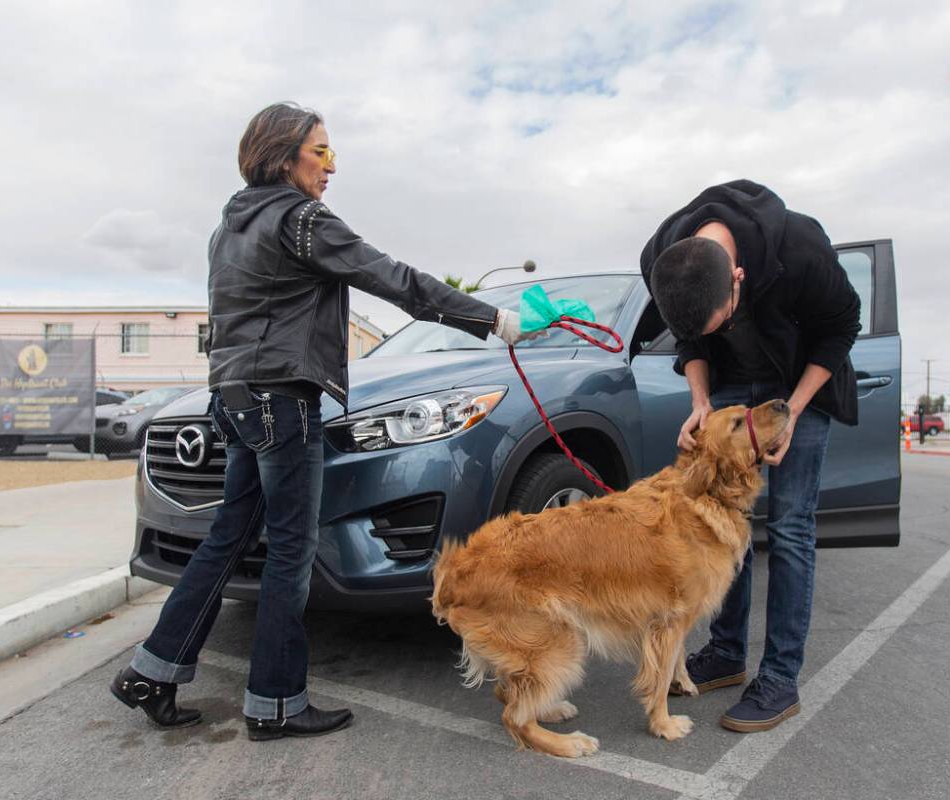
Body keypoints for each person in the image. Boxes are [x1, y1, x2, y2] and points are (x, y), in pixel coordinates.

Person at [110, 102, 535, 741]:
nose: (333, 165)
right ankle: (276, 702)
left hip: (234, 394)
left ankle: (154, 669)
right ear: (286, 157)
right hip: (283, 398)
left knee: (228, 537)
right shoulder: (301, 218)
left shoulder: (228, 227)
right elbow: (394, 279)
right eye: (323, 151)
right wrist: (489, 319)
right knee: (290, 551)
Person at [640, 179, 861, 733]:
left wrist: (796, 409)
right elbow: (690, 340)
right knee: (719, 522)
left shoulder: (799, 248)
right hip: (733, 384)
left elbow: (841, 329)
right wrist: (700, 400)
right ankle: (726, 653)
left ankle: (780, 678)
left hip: (797, 380)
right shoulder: (660, 258)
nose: (720, 329)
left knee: (788, 528)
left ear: (739, 279)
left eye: (722, 319)